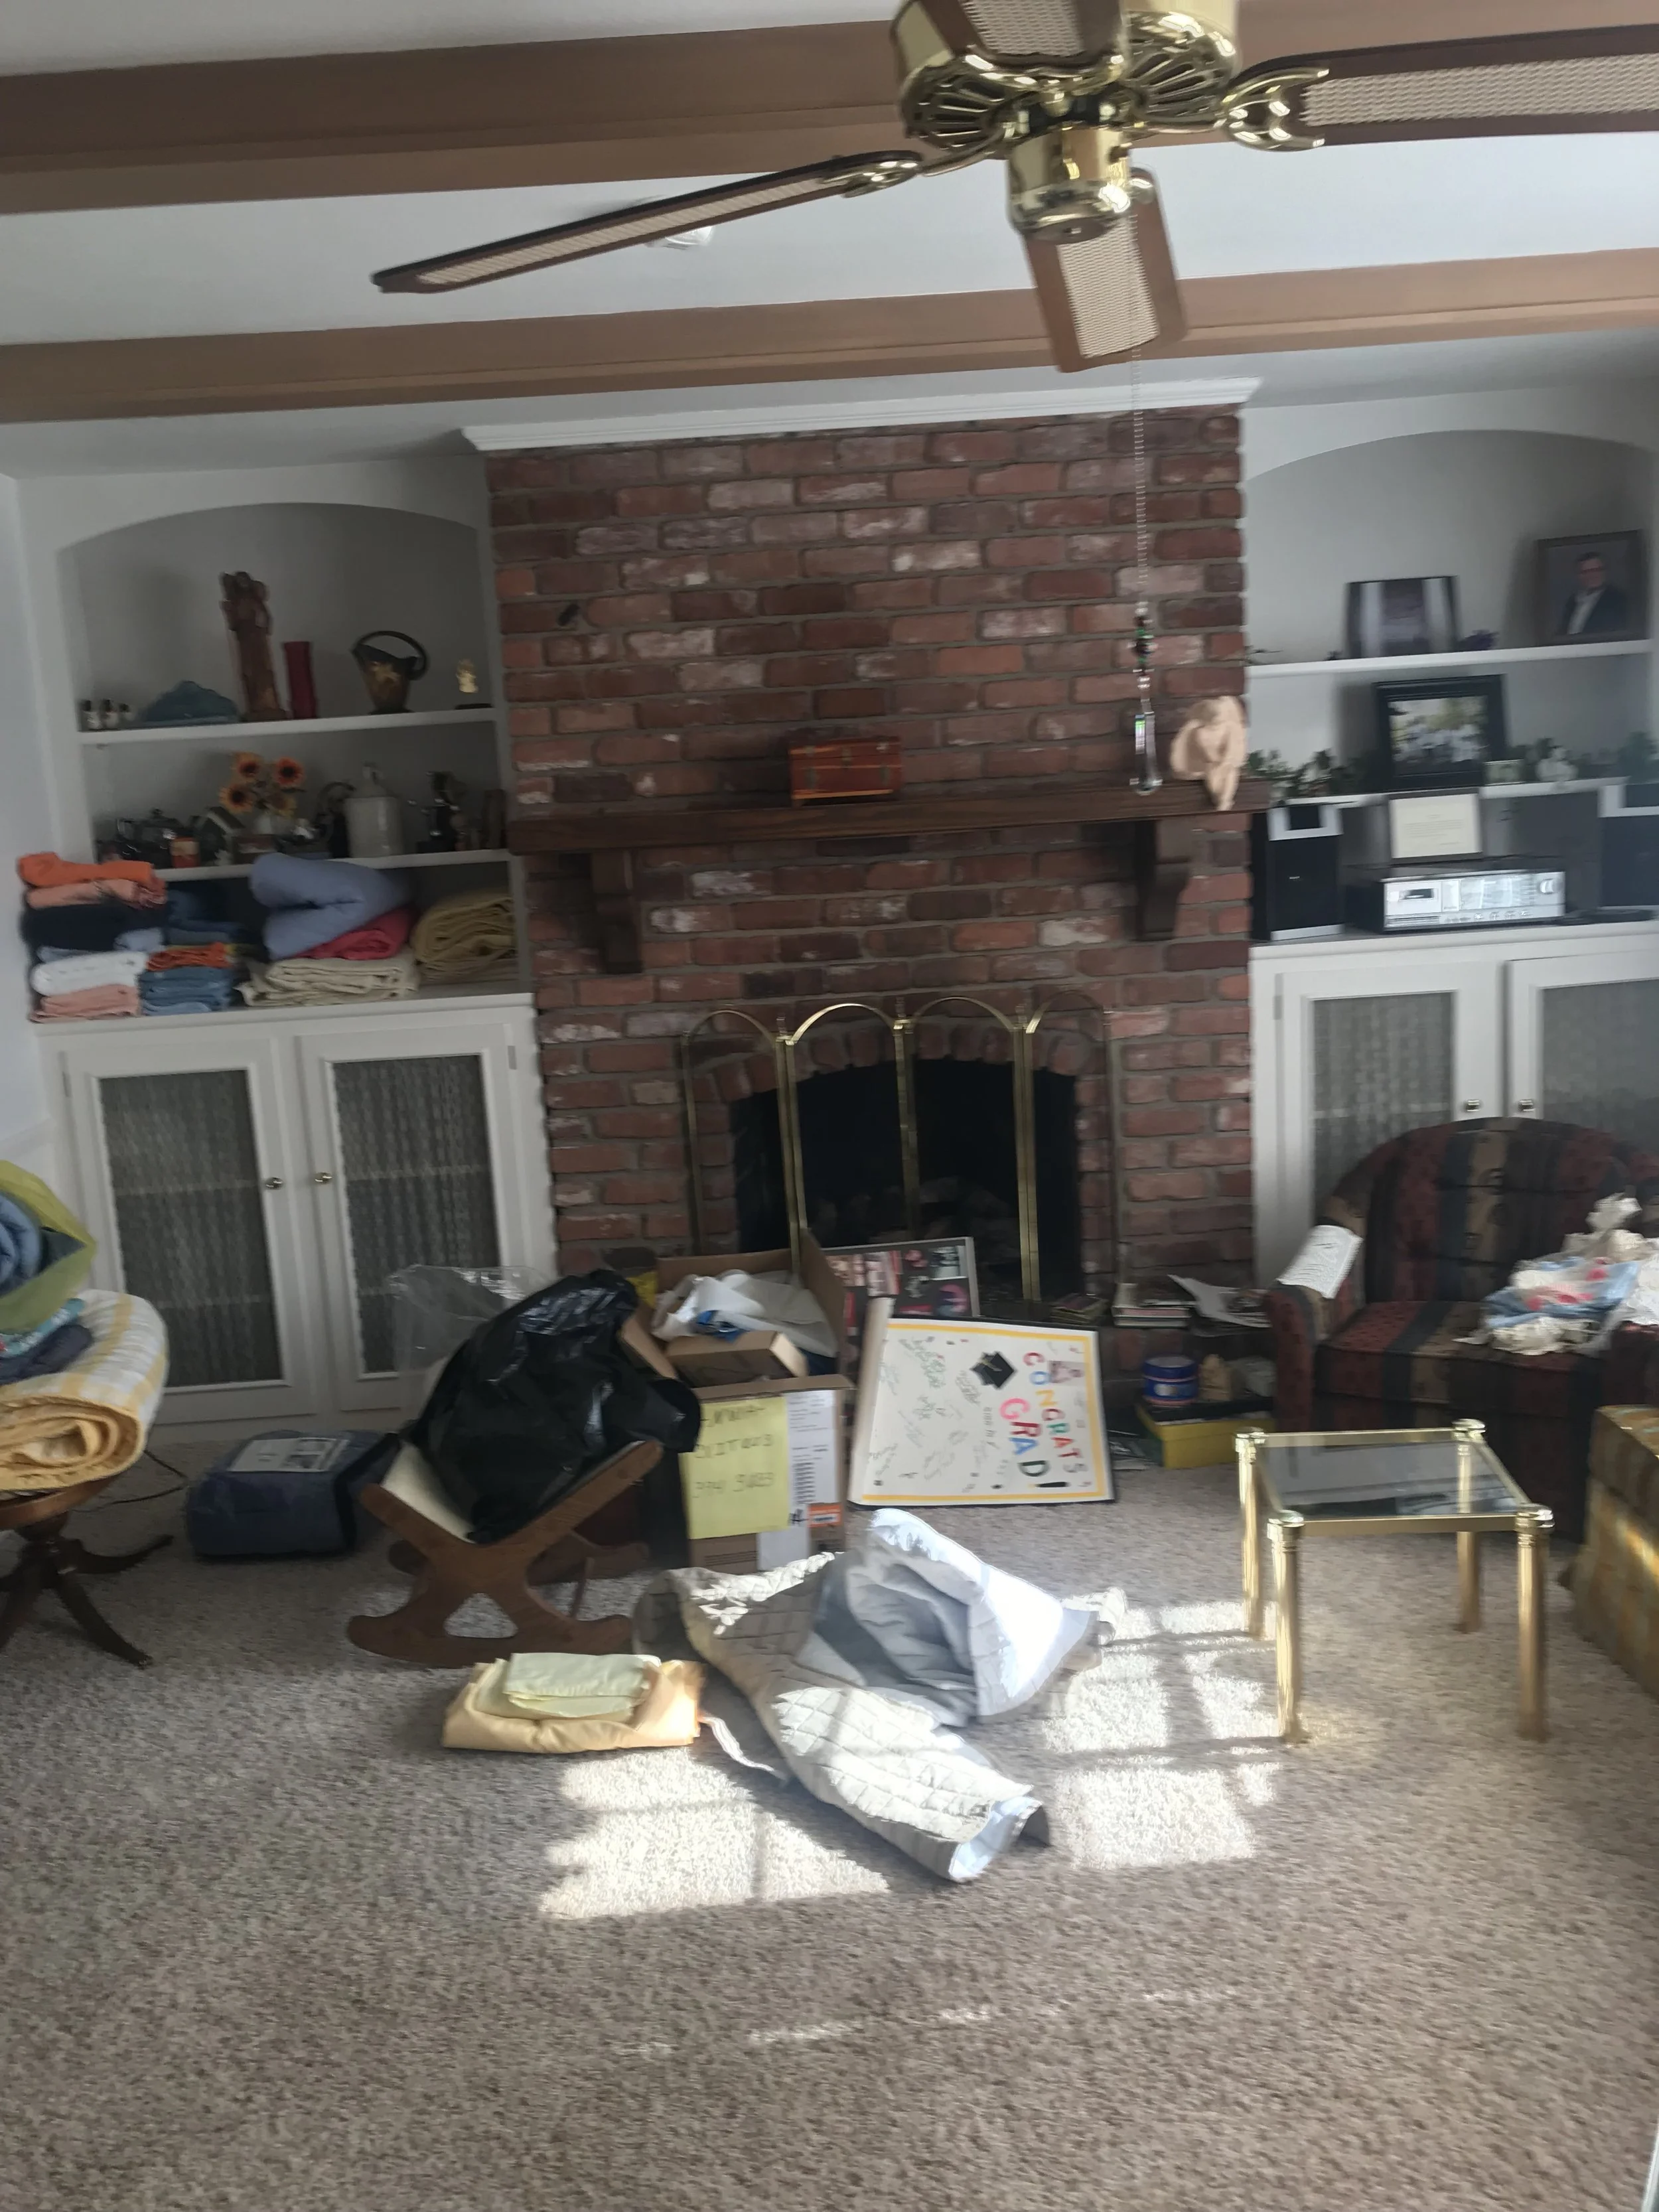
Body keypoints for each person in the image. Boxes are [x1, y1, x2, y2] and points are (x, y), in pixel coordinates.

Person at [1561, 550, 1632, 638]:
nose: (1592, 575)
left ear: (1605, 571)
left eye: (1596, 570)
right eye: (1585, 572)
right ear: (1579, 575)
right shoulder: (1573, 601)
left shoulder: (1619, 599)